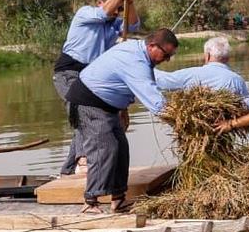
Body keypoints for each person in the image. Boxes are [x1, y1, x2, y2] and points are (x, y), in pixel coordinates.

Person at [65, 26, 178, 210]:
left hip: (106, 106)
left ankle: (118, 198)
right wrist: (180, 122)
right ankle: (90, 202)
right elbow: (156, 103)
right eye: (166, 55)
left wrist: (122, 108)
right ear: (152, 46)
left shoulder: (140, 54)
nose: (166, 60)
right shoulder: (136, 62)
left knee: (121, 148)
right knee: (105, 148)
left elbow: (121, 83)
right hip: (88, 103)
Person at [51, 0, 134, 174]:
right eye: (116, 8)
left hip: (90, 77)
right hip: (69, 72)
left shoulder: (114, 25)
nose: (117, 12)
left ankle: (67, 170)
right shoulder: (85, 13)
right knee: (82, 110)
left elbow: (132, 24)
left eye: (119, 9)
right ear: (100, 2)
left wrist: (130, 0)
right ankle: (83, 161)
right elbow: (103, 13)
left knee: (88, 117)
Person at [156, 34, 249, 96]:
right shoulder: (237, 80)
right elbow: (248, 109)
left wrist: (147, 63)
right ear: (228, 58)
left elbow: (163, 81)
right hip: (228, 124)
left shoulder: (191, 74)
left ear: (207, 56)